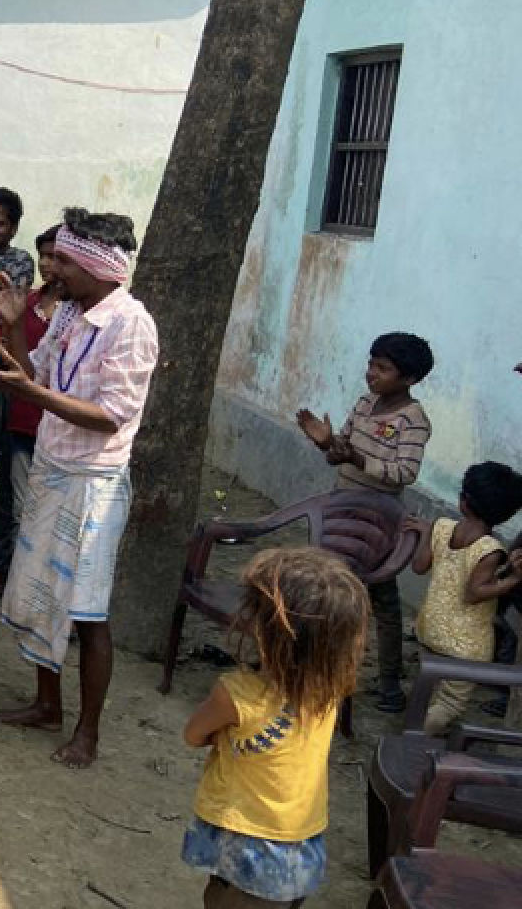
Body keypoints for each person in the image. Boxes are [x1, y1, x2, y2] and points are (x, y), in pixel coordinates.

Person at [0, 207, 159, 769]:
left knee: (86, 610)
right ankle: (47, 705)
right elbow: (33, 374)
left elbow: (111, 415)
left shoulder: (130, 324)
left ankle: (88, 732)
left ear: (97, 266)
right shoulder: (67, 313)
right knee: (43, 590)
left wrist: (33, 397)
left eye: (63, 259)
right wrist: (13, 324)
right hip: (52, 467)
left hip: (94, 484)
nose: (52, 268)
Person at [182, 548, 368, 908]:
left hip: (247, 841)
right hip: (300, 843)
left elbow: (193, 735)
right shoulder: (330, 687)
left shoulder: (236, 693)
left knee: (219, 898)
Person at [295, 330, 434, 713]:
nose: (371, 372)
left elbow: (405, 472)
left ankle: (388, 683)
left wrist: (354, 458)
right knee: (327, 584)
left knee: (382, 599)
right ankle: (310, 663)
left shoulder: (413, 421)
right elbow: (341, 453)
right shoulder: (365, 402)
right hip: (343, 508)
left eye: (382, 368)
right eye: (371, 363)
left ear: (409, 378)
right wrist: (327, 444)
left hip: (378, 520)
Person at [0, 224, 64, 618]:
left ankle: (31, 595)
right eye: (45, 256)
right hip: (20, 422)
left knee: (42, 514)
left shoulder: (77, 314)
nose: (49, 264)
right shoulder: (26, 303)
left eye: (57, 257)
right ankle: (15, 588)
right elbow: (21, 365)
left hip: (54, 429)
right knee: (16, 507)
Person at [406, 462, 522, 734]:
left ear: (463, 502)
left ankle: (415, 723)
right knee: (450, 702)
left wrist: (426, 534)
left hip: (431, 626)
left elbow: (419, 566)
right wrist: (513, 580)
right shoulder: (490, 549)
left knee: (427, 686)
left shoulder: (441, 527)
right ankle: (416, 736)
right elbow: (473, 593)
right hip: (466, 645)